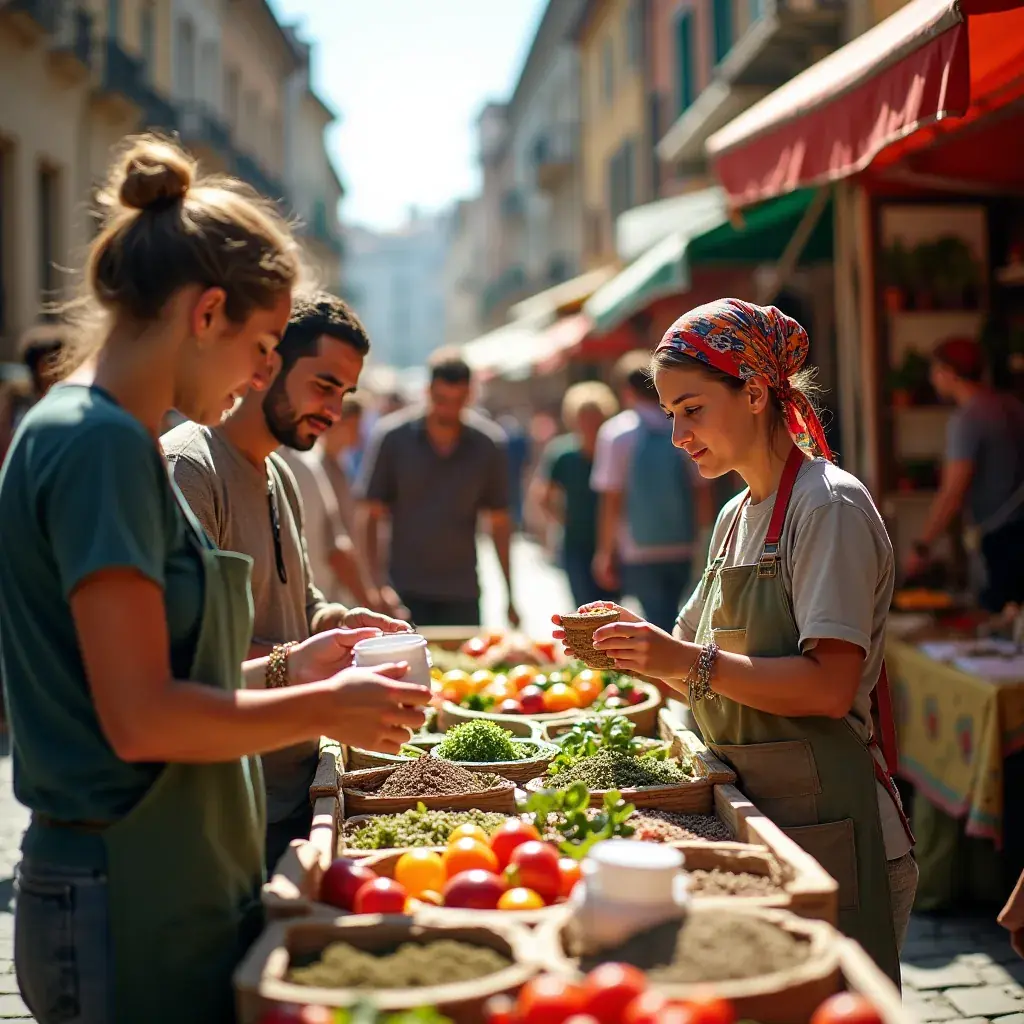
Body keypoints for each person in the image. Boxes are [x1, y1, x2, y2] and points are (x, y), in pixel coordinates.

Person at [0, 138, 430, 1024]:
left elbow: (159, 677)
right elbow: (142, 715)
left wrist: (303, 671)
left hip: (152, 873)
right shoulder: (102, 444)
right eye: (265, 343)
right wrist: (323, 705)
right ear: (206, 315)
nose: (260, 373)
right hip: (123, 884)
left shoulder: (95, 433)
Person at [553, 299, 917, 985]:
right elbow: (691, 669)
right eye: (670, 415)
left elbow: (828, 686)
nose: (678, 435)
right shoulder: (735, 514)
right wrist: (630, 647)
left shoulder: (827, 506)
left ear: (753, 391)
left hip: (833, 826)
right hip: (760, 818)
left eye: (691, 409)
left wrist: (679, 658)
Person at [163, 290, 411, 870]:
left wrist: (341, 623)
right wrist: (305, 660)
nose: (332, 410)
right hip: (222, 806)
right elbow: (191, 656)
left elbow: (300, 604)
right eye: (323, 386)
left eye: (344, 395)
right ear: (267, 364)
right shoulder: (189, 469)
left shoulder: (281, 474)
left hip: (298, 786)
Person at [357, 348, 519, 628]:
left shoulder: (488, 445)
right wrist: (375, 586)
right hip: (403, 590)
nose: (448, 409)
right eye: (442, 399)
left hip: (462, 590)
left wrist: (510, 594)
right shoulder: (392, 438)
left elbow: (499, 522)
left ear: (470, 395)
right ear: (427, 391)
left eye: (458, 401)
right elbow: (371, 516)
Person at [591, 350, 714, 631]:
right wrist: (706, 539)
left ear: (626, 390)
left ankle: (666, 671)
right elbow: (701, 489)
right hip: (683, 541)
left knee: (654, 619)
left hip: (638, 547)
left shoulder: (616, 433)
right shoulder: (683, 426)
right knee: (681, 616)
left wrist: (605, 551)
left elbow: (612, 498)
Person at [905, 337, 1024, 612]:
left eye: (935, 371)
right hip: (1016, 528)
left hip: (1001, 540)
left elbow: (952, 492)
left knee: (1000, 634)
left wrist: (922, 546)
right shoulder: (1014, 405)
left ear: (949, 372)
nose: (933, 379)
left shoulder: (968, 419)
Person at [532, 381, 621, 607]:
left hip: (614, 542)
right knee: (583, 605)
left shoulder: (614, 450)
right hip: (576, 543)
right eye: (584, 417)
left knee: (611, 607)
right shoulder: (563, 453)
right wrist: (563, 520)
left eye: (595, 417)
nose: (590, 424)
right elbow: (543, 495)